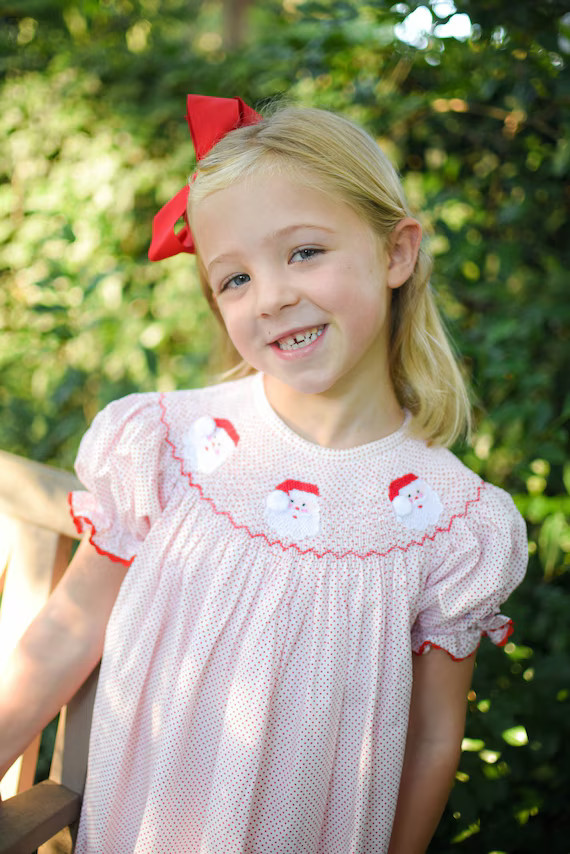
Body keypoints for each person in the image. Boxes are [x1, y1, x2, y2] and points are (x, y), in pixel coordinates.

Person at [0, 94, 528, 854]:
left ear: (396, 252)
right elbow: (68, 629)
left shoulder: (451, 522)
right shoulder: (171, 447)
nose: (273, 296)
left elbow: (429, 741)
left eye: (304, 252)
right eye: (235, 279)